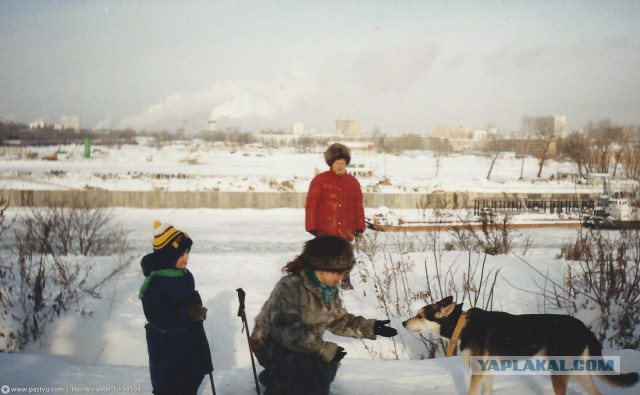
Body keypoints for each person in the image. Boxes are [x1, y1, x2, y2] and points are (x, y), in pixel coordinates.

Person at [250, 235, 397, 395]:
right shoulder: (291, 286)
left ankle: (278, 379)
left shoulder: (328, 290)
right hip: (272, 343)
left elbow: (339, 321)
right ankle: (278, 381)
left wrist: (371, 327)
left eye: (343, 272)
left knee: (322, 368)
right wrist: (322, 349)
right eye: (337, 272)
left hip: (304, 343)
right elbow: (285, 331)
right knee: (305, 368)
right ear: (320, 267)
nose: (341, 277)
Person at [139, 221, 213, 395]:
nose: (187, 257)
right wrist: (188, 314)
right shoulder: (155, 283)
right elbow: (157, 316)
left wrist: (196, 308)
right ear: (168, 257)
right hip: (167, 357)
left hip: (189, 350)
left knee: (190, 385)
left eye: (188, 252)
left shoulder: (185, 275)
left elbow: (187, 304)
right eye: (182, 253)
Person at [305, 143, 365, 289]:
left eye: (342, 162)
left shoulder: (353, 182)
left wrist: (360, 226)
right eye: (337, 162)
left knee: (344, 255)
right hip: (326, 226)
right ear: (331, 163)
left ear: (346, 163)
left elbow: (358, 206)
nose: (339, 165)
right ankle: (321, 282)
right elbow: (311, 205)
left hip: (346, 226)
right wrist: (311, 226)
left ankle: (345, 281)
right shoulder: (319, 181)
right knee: (326, 256)